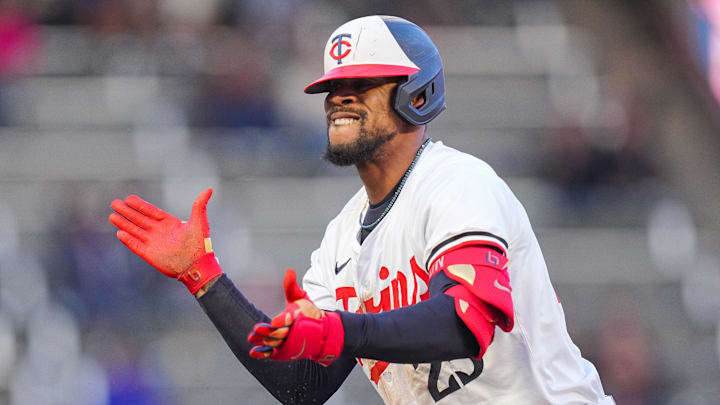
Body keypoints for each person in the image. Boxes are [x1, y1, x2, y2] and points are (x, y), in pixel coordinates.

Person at [109, 15, 615, 405]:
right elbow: (302, 386)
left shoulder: (457, 182)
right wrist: (206, 277)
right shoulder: (340, 238)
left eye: (363, 83)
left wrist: (338, 330)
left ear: (418, 94)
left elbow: (463, 323)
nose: (339, 99)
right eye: (333, 87)